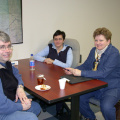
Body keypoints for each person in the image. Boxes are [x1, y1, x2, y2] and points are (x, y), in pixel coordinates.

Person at [64, 27, 120, 120]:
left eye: (101, 40)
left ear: (108, 41)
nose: (98, 43)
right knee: (79, 98)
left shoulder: (114, 53)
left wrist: (81, 73)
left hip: (111, 87)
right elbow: (86, 65)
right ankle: (90, 117)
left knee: (106, 107)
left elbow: (103, 73)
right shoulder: (94, 50)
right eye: (96, 40)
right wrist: (73, 70)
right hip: (96, 84)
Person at [0, 31, 41, 120]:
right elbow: (1, 106)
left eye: (9, 46)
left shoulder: (5, 62)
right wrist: (21, 107)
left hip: (9, 101)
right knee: (32, 117)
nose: (7, 50)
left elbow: (16, 73)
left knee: (36, 107)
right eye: (2, 47)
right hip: (1, 111)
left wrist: (20, 87)